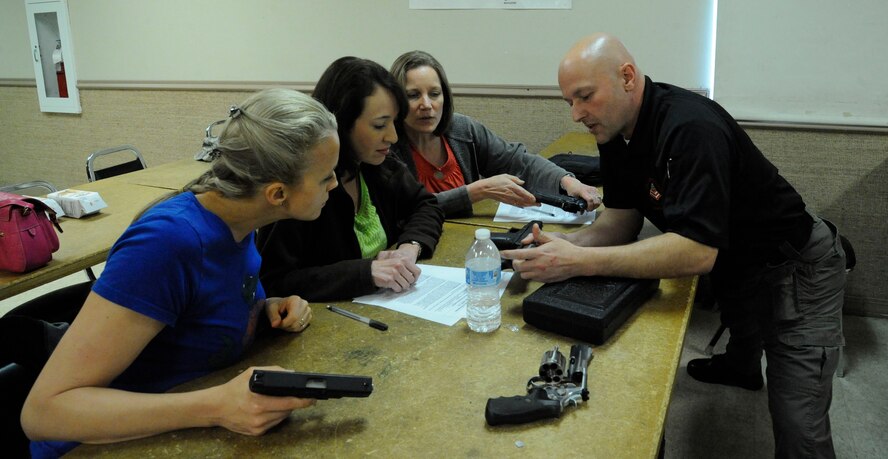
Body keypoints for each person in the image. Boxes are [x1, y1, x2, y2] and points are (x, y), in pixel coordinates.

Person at [502, 34, 846, 458]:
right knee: (744, 337)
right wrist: (566, 244)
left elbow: (697, 252)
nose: (576, 115)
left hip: (795, 265)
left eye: (584, 97)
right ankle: (741, 369)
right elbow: (622, 221)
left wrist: (581, 261)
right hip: (738, 260)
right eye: (569, 102)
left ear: (627, 77)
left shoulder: (689, 127)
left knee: (800, 427)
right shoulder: (614, 129)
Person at [20, 88, 341, 458]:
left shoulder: (241, 220)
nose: (333, 184)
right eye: (325, 177)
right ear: (277, 193)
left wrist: (264, 308)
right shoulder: (168, 243)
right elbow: (45, 413)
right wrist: (218, 406)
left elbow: (202, 304)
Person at [257, 57, 444, 302]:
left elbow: (425, 204)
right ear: (341, 124)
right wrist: (365, 272)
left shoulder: (378, 165)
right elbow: (274, 283)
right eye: (379, 126)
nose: (393, 137)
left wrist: (410, 246)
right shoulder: (301, 187)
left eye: (394, 122)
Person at [388, 50, 601, 217]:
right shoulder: (387, 146)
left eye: (434, 94)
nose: (426, 105)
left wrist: (568, 182)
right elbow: (406, 210)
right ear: (397, 100)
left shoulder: (461, 128)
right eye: (413, 95)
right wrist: (477, 192)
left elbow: (518, 162)